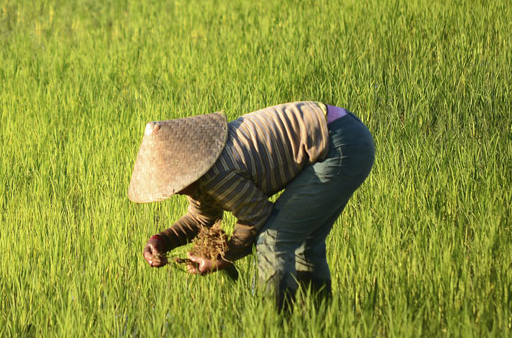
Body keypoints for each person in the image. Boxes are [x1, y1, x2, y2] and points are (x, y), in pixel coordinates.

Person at [128, 101, 375, 311]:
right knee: (303, 242)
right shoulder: (203, 167)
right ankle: (318, 325)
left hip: (339, 145)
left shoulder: (218, 173)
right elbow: (200, 218)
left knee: (273, 240)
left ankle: (274, 329)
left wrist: (222, 258)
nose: (173, 190)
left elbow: (257, 218)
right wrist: (161, 240)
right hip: (337, 132)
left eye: (171, 183)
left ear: (185, 169)